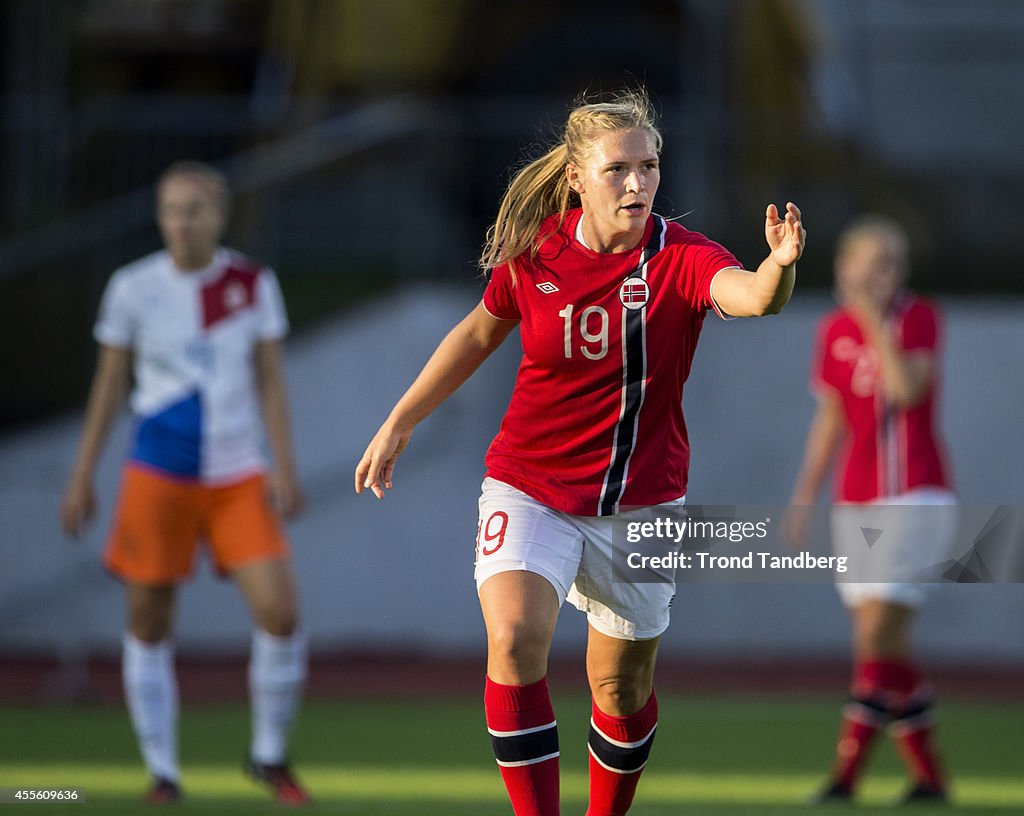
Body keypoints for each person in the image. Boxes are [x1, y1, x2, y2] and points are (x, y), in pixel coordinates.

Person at [355, 88, 805, 816]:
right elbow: (477, 333)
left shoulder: (682, 257)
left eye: (650, 166)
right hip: (529, 486)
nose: (637, 183)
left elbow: (754, 296)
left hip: (642, 501)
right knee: (512, 639)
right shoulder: (538, 253)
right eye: (618, 169)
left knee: (619, 689)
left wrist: (778, 267)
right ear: (576, 176)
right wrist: (401, 418)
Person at [60, 161, 311, 805]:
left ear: (219, 215)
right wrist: (83, 475)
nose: (183, 221)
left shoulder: (252, 282)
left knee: (279, 613)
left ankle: (268, 756)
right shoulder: (132, 287)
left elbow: (271, 380)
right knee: (148, 620)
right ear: (160, 215)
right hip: (158, 472)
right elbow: (109, 385)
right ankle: (163, 773)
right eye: (172, 208)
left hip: (236, 473)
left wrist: (284, 466)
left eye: (196, 208)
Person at [785, 214, 954, 804]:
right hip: (856, 503)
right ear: (845, 268)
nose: (883, 274)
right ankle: (930, 780)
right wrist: (804, 497)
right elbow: (830, 419)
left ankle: (844, 778)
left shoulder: (918, 318)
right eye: (871, 262)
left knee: (876, 639)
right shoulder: (832, 331)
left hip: (916, 497)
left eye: (892, 264)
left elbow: (909, 389)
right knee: (884, 649)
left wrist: (872, 323)